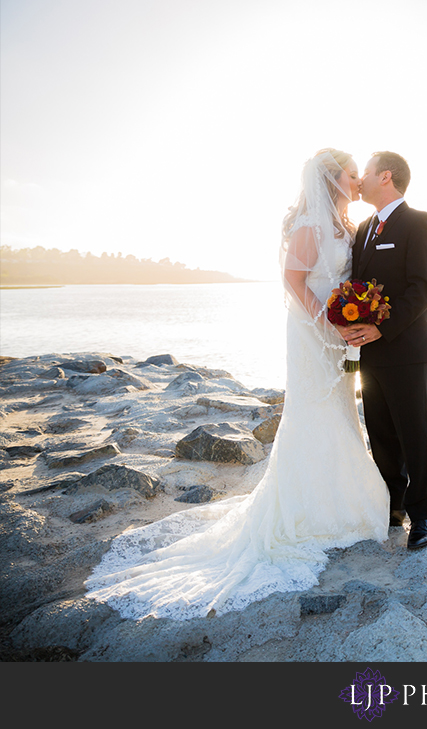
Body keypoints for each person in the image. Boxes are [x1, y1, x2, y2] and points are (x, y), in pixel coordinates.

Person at [85, 149, 390, 620]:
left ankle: (345, 499)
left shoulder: (345, 226)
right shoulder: (310, 224)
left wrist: (353, 318)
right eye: (352, 175)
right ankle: (309, 507)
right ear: (333, 179)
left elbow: (347, 279)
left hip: (338, 334)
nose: (357, 181)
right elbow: (293, 279)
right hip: (312, 335)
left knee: (341, 409)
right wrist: (325, 322)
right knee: (313, 409)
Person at [337, 152, 427, 550]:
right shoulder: (363, 228)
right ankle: (392, 509)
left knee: (413, 432)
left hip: (406, 348)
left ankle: (424, 518)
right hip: (370, 353)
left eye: (364, 172)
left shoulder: (421, 223)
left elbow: (424, 286)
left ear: (385, 176)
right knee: (380, 434)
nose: (359, 179)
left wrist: (381, 328)